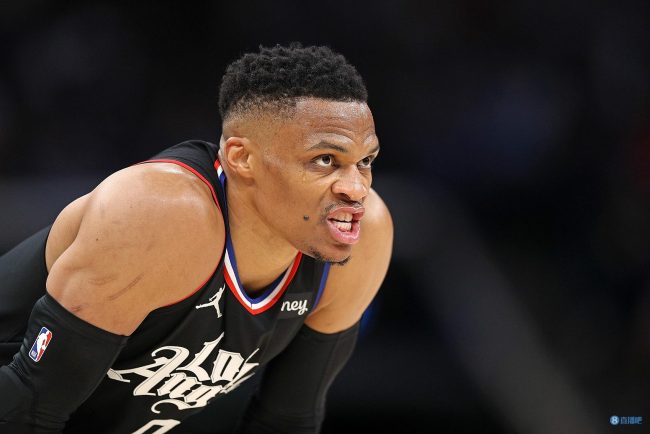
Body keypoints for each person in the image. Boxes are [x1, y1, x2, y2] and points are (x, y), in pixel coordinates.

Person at [0, 43, 393, 433]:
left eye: (365, 161)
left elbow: (287, 421)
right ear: (242, 158)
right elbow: (26, 408)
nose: (356, 188)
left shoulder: (362, 235)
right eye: (325, 160)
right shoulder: (160, 213)